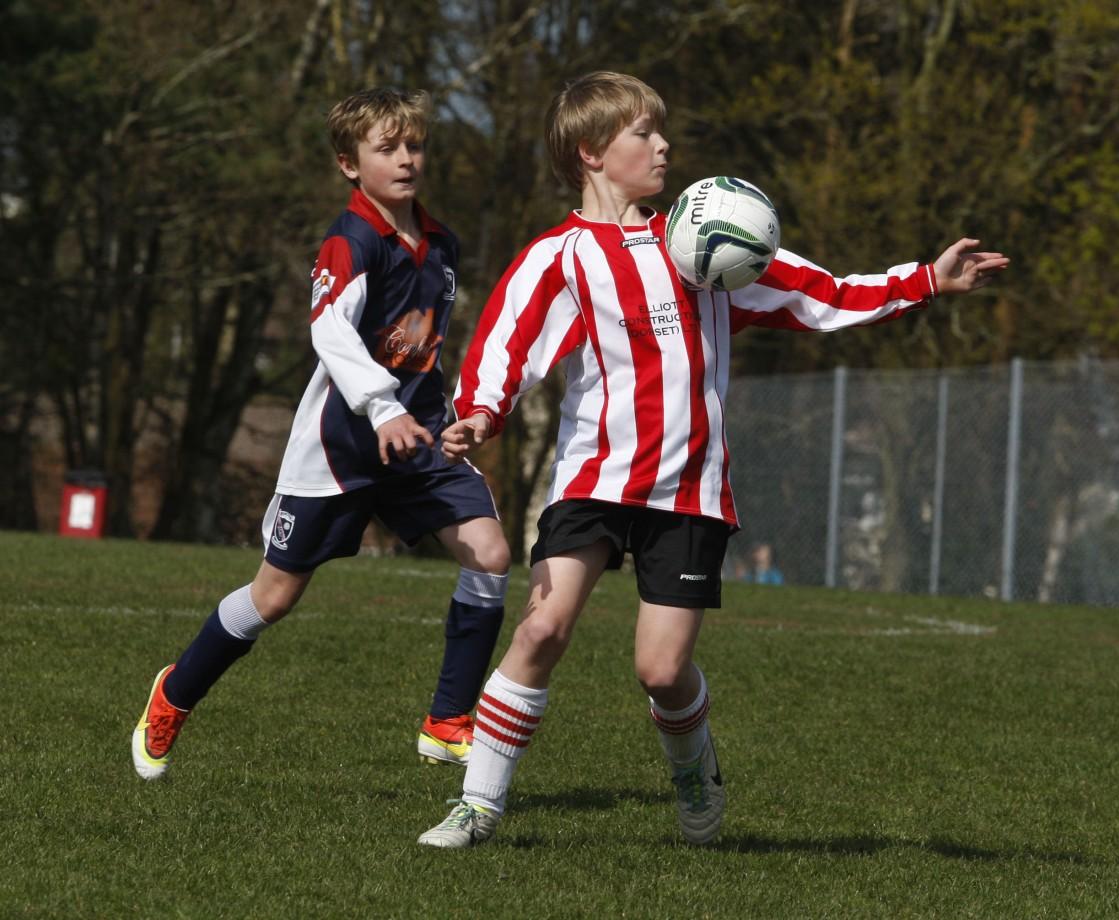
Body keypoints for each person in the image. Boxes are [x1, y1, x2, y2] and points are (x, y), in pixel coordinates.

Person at [417, 71, 1008, 848]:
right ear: (592, 152)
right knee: (541, 629)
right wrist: (477, 416)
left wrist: (926, 280)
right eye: (643, 134)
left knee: (661, 671)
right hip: (593, 480)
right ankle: (480, 804)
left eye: (662, 131)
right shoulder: (558, 258)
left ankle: (695, 772)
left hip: (690, 490)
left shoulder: (707, 237)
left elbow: (820, 294)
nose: (663, 145)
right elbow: (506, 346)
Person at [131, 88, 511, 780]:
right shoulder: (351, 240)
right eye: (386, 148)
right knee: (273, 598)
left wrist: (453, 414)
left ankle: (447, 719)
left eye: (414, 145)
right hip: (339, 451)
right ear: (348, 163)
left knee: (488, 552)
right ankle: (175, 693)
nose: (405, 158)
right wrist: (381, 405)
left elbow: (424, 348)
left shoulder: (444, 245)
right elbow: (330, 331)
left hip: (418, 439)